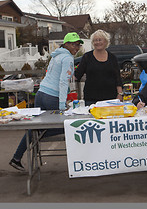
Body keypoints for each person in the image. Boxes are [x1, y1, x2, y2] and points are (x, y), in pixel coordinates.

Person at [9, 32, 83, 171]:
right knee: (67, 126)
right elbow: (63, 81)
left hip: (41, 94)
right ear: (66, 44)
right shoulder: (67, 58)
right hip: (52, 97)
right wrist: (62, 104)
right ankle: (38, 136)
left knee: (37, 126)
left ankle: (17, 157)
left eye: (78, 44)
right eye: (74, 44)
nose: (77, 47)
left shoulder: (56, 56)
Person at [74, 29, 123, 106]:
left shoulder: (112, 58)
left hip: (110, 99)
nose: (97, 42)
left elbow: (118, 77)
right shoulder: (87, 57)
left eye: (100, 40)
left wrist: (120, 94)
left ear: (106, 42)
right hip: (91, 99)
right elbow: (77, 75)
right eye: (95, 40)